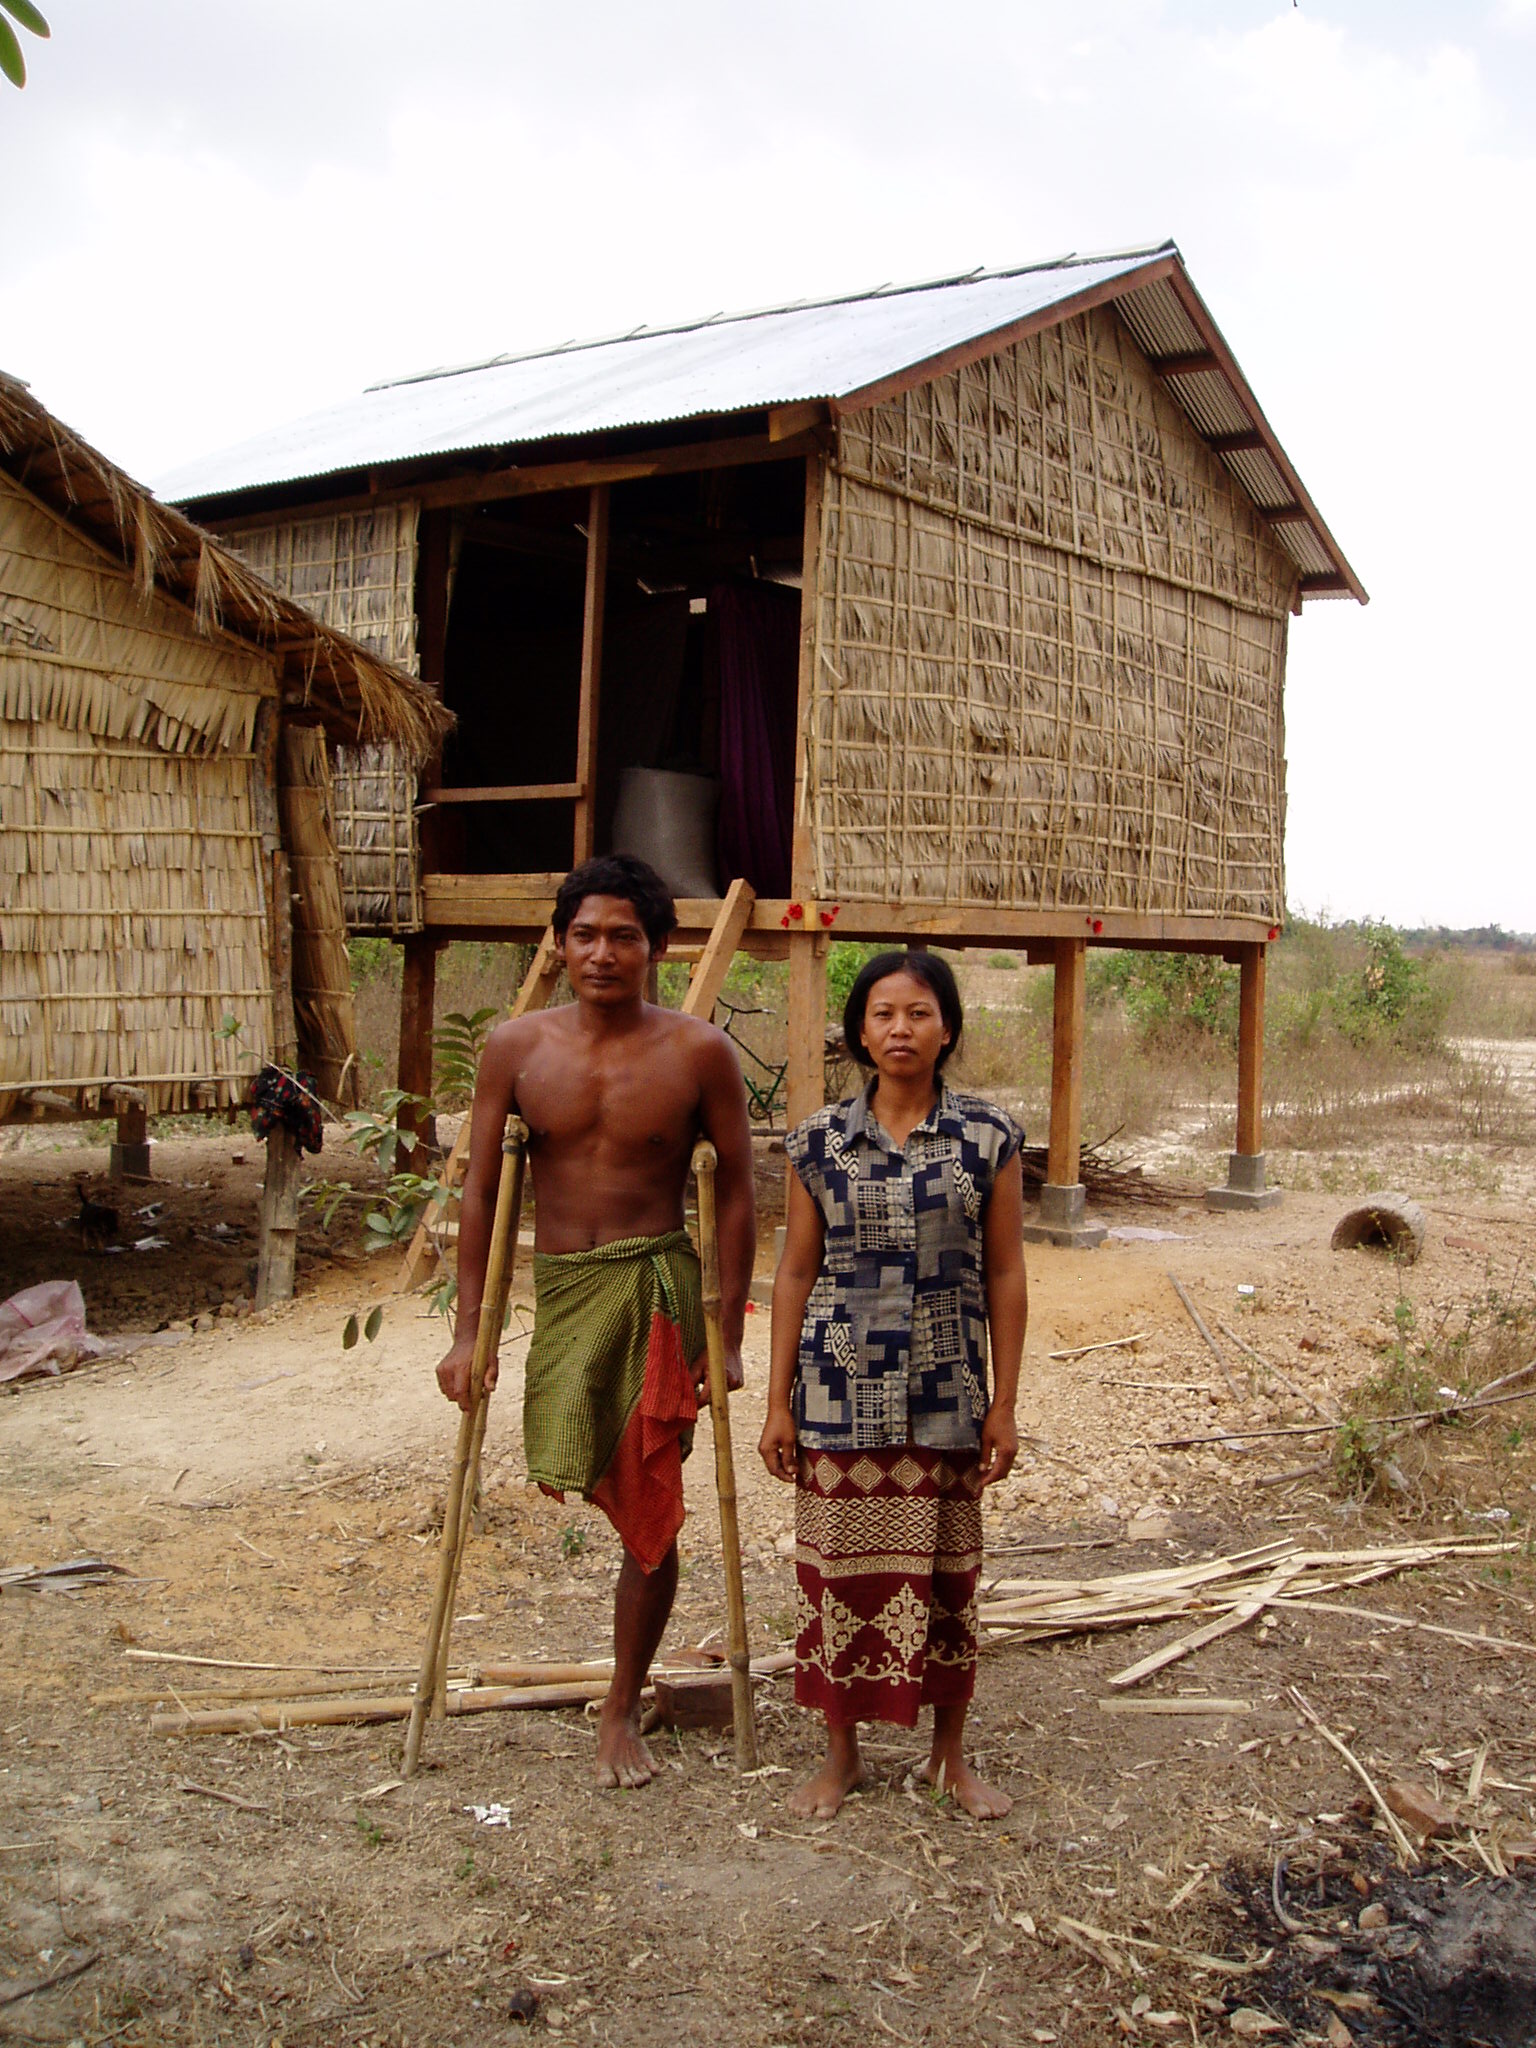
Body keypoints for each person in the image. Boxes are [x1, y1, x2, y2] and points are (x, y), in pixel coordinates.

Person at [436, 854, 755, 1790]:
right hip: (567, 1292)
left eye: (623, 936)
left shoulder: (699, 1053)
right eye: (584, 936)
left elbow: (738, 1192)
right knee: (588, 1473)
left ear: (656, 947)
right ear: (560, 945)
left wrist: (730, 1336)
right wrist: (468, 1332)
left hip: (656, 1292)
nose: (602, 953)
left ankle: (621, 1703)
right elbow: (483, 1191)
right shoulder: (516, 1049)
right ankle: (615, 1692)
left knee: (650, 1507)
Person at [760, 950, 1026, 1820]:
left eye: (918, 1013)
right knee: (839, 1580)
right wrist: (777, 1403)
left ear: (947, 1029)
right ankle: (841, 1758)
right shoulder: (817, 1141)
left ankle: (950, 1757)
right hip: (838, 1393)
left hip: (949, 1392)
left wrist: (1005, 1405)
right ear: (859, 1033)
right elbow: (795, 1273)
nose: (900, 1029)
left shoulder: (989, 1137)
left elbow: (1006, 1273)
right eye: (883, 1014)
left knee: (948, 1580)